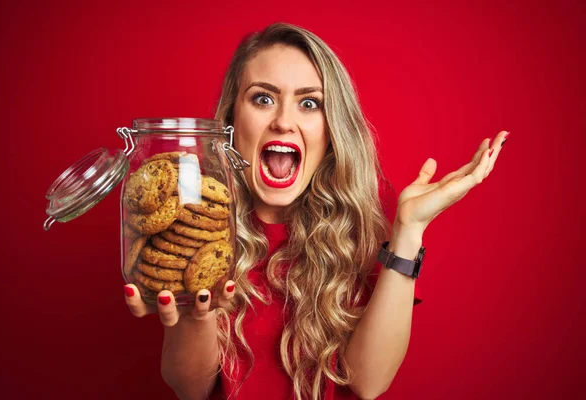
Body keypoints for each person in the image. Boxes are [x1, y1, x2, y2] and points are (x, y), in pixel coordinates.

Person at [123, 23, 508, 400]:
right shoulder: (197, 224)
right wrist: (198, 315)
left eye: (310, 103)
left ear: (331, 129)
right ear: (229, 122)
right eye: (263, 98)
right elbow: (189, 389)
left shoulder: (366, 225)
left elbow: (368, 383)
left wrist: (409, 230)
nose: (284, 122)